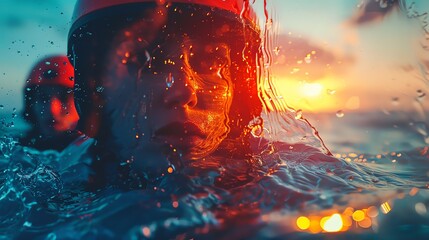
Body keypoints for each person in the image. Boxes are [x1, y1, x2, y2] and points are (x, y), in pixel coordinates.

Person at [20, 55, 80, 151]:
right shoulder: (17, 150)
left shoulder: (98, 152)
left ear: (83, 105)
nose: (52, 110)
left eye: (64, 98)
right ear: (30, 106)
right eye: (43, 98)